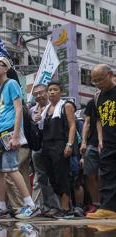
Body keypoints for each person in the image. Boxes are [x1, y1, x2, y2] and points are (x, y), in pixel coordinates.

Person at [0, 57, 39, 220]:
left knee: (11, 169)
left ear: (6, 68)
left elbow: (19, 109)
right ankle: (1, 207)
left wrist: (15, 135)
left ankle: (30, 205)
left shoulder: (12, 84)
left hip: (9, 132)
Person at [39, 81, 77, 218]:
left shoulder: (66, 106)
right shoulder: (45, 109)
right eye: (50, 90)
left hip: (60, 144)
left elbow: (73, 126)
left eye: (55, 89)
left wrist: (69, 144)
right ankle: (62, 206)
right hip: (46, 145)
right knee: (52, 177)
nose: (52, 92)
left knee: (62, 176)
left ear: (61, 92)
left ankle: (66, 208)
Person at [87, 64, 116, 219]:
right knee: (107, 174)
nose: (97, 83)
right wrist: (100, 139)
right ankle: (108, 209)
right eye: (94, 81)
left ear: (110, 74)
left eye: (100, 79)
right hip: (108, 141)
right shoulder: (98, 96)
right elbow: (98, 119)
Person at [29, 84, 61, 216]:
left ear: (47, 93)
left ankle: (60, 206)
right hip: (37, 147)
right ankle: (48, 206)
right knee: (41, 178)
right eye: (35, 94)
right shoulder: (32, 110)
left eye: (41, 92)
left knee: (55, 176)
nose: (38, 96)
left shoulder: (56, 107)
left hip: (53, 146)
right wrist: (34, 122)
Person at [80, 97, 100, 214]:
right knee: (90, 174)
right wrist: (83, 142)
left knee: (107, 175)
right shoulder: (94, 102)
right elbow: (87, 123)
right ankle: (95, 203)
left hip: (110, 142)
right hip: (92, 143)